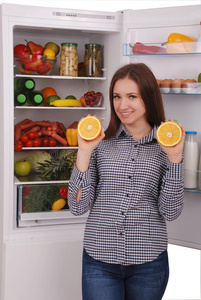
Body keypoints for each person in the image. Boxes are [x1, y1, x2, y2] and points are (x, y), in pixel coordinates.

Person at [68, 63, 185, 300]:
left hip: (148, 262)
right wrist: (83, 152)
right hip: (99, 258)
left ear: (149, 98)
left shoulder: (170, 145)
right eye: (117, 96)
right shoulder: (101, 143)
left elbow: (170, 212)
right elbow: (77, 206)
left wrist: (174, 158)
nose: (122, 105)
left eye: (132, 96)